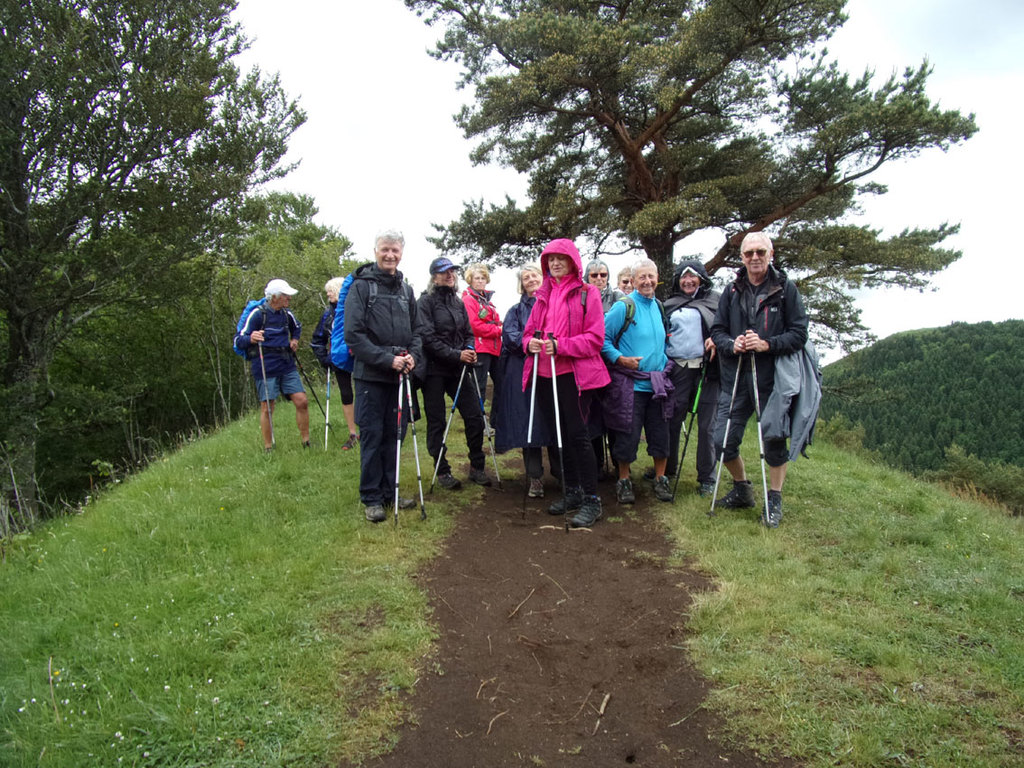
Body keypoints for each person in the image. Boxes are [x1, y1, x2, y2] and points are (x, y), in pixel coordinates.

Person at [709, 232, 809, 527]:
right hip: (736, 377)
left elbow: (799, 333)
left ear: (771, 254)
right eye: (749, 253)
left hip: (773, 379)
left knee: (774, 439)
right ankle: (742, 489)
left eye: (760, 252)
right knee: (722, 440)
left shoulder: (785, 289)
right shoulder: (731, 290)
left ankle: (774, 498)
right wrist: (733, 344)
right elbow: (717, 331)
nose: (755, 257)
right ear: (741, 257)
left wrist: (766, 344)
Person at [523, 238, 609, 528]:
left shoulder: (588, 293)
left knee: (578, 435)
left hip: (574, 375)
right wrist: (530, 344)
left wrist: (561, 346)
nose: (555, 263)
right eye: (550, 259)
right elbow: (527, 334)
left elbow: (595, 339)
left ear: (573, 261)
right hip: (544, 374)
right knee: (559, 434)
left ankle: (592, 499)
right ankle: (572, 491)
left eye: (561, 258)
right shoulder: (542, 295)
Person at [344, 230, 423, 524]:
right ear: (375, 251)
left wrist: (413, 356)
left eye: (395, 250)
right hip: (370, 378)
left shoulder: (406, 290)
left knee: (394, 435)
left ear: (401, 253)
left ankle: (392, 492)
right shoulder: (361, 287)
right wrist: (388, 360)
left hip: (400, 376)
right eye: (385, 249)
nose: (390, 255)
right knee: (372, 436)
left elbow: (418, 331)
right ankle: (372, 498)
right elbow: (353, 335)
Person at [601, 259, 674, 503]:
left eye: (651, 276)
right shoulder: (623, 307)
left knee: (660, 434)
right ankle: (623, 480)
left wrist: (664, 362)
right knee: (627, 435)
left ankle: (661, 479)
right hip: (630, 385)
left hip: (657, 385)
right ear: (633, 281)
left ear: (657, 278)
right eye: (642, 277)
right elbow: (602, 339)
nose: (647, 281)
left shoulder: (659, 307)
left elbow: (663, 340)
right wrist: (620, 359)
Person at [416, 257, 492, 490]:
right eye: (444, 272)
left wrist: (469, 349)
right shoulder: (425, 302)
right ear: (434, 276)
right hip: (434, 371)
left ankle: (477, 466)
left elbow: (468, 332)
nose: (450, 275)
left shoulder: (457, 302)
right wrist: (456, 354)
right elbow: (427, 338)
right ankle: (442, 470)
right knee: (437, 421)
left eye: (452, 271)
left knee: (475, 415)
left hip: (458, 370)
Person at [492, 263, 560, 497]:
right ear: (521, 284)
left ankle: (561, 473)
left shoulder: (555, 304)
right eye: (526, 277)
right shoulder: (515, 311)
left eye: (534, 275)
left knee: (554, 421)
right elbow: (509, 336)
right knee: (529, 423)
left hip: (552, 371)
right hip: (525, 374)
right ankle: (535, 477)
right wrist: (527, 342)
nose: (531, 279)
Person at [659, 259, 721, 496]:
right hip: (678, 369)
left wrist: (716, 338)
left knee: (707, 425)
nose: (688, 281)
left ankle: (707, 477)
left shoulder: (715, 301)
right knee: (673, 419)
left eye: (692, 276)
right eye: (683, 277)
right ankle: (668, 467)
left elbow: (724, 327)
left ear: (701, 279)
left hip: (708, 370)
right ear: (678, 280)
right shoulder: (670, 304)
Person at [235, 278, 310, 451]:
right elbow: (239, 340)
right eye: (285, 295)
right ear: (275, 297)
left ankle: (306, 442)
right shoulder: (257, 314)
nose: (289, 298)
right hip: (265, 364)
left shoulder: (287, 314)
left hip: (286, 363)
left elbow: (297, 327)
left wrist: (295, 339)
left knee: (302, 401)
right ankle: (269, 447)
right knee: (267, 407)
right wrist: (251, 338)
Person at [310, 276, 358, 450]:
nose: (328, 294)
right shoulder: (327, 315)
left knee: (364, 391)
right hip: (338, 358)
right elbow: (317, 339)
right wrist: (324, 359)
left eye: (330, 290)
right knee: (346, 394)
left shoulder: (355, 307)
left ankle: (369, 429)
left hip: (359, 355)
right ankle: (353, 433)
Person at [461, 263, 502, 410]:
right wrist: (498, 330)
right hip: (481, 349)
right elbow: (474, 326)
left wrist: (501, 326)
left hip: (494, 349)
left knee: (501, 384)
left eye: (483, 278)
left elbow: (495, 321)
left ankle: (497, 419)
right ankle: (478, 418)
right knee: (479, 387)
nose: (480, 281)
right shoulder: (468, 300)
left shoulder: (486, 301)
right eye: (476, 278)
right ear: (470, 280)